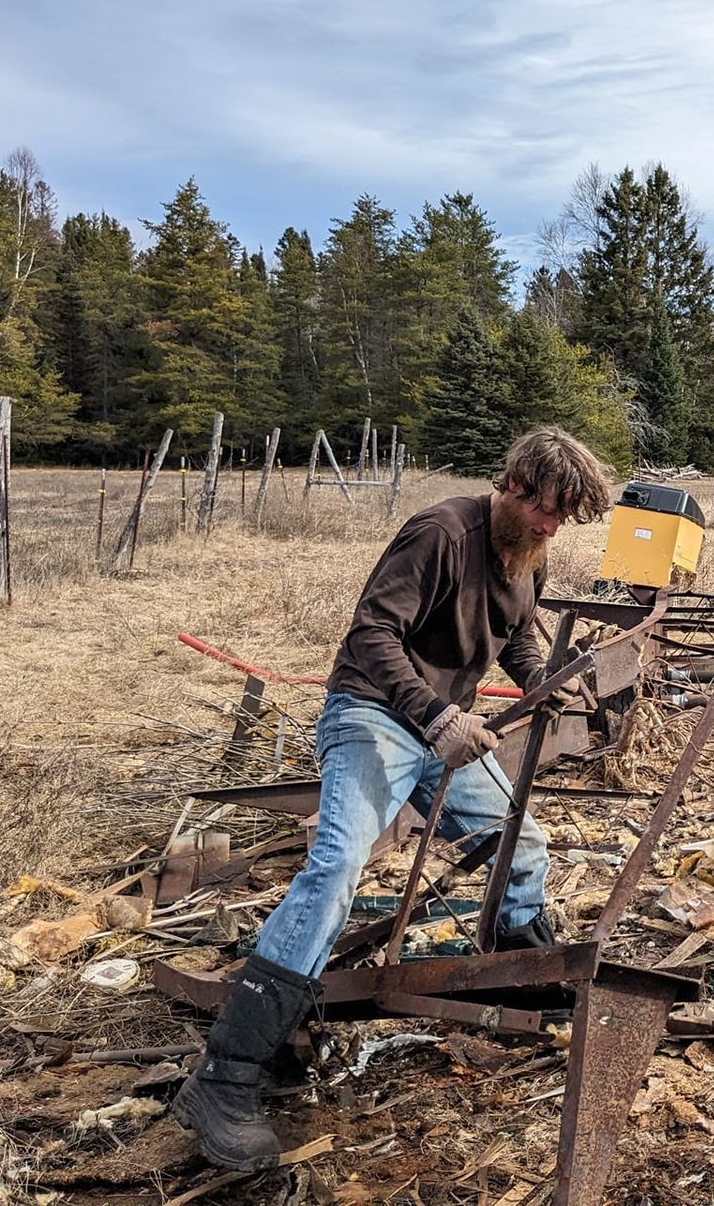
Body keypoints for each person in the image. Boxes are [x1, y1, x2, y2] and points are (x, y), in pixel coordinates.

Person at [173, 426, 613, 1171]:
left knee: (522, 842)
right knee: (338, 864)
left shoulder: (527, 554)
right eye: (543, 509)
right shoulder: (441, 531)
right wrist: (436, 714)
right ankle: (224, 1076)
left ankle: (515, 975)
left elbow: (514, 639)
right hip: (374, 711)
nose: (550, 527)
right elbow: (372, 632)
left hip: (443, 727)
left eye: (562, 518)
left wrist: (543, 679)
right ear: (511, 485)